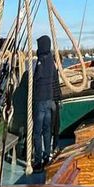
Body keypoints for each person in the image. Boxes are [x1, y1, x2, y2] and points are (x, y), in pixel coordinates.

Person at [33, 34, 60, 169]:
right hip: (50, 100)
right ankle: (46, 157)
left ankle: (38, 161)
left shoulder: (41, 61)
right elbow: (55, 78)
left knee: (37, 132)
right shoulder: (51, 61)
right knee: (47, 130)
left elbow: (37, 78)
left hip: (40, 101)